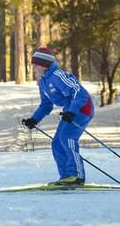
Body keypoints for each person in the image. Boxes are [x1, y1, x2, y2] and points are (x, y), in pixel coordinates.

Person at [21, 47, 94, 186]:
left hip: (82, 108)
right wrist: (34, 119)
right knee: (56, 142)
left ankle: (77, 175)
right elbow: (46, 105)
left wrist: (72, 111)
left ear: (43, 64)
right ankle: (67, 177)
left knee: (67, 137)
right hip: (70, 110)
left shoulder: (58, 76)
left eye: (35, 64)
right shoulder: (43, 82)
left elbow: (79, 93)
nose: (33, 67)